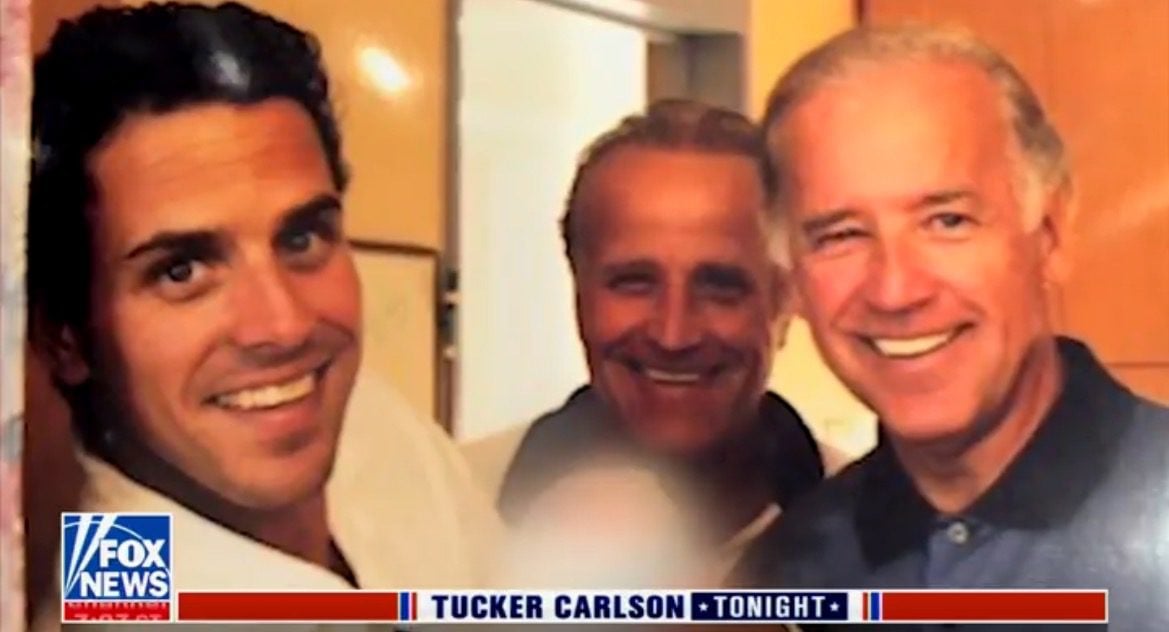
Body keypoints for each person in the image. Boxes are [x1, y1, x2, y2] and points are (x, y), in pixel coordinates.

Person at [27, 2, 499, 627]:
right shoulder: (118, 606)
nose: (284, 326)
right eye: (182, 271)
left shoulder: (378, 425)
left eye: (301, 240)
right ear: (66, 338)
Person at [738, 23, 1169, 630]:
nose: (895, 290)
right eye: (842, 236)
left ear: (1048, 235)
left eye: (947, 221)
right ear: (792, 279)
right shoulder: (786, 578)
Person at [496, 100, 833, 587]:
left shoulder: (887, 545)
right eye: (634, 282)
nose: (673, 335)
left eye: (720, 287)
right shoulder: (452, 509)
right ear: (578, 289)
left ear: (786, 298)